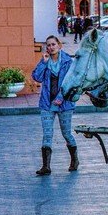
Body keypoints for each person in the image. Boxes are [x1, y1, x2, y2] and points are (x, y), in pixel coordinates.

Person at [31, 35, 79, 176]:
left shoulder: (68, 62)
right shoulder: (45, 61)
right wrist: (44, 62)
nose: (51, 47)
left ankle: (74, 160)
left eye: (53, 44)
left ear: (59, 45)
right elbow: (36, 77)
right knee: (47, 134)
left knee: (66, 134)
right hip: (47, 104)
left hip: (64, 105)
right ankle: (46, 166)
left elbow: (70, 82)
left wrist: (60, 98)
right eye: (48, 45)